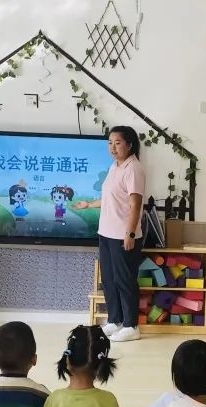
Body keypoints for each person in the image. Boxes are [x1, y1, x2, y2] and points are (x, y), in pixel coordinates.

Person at [73, 126, 146, 343]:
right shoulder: (115, 166)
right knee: (109, 279)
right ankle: (115, 320)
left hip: (123, 235)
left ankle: (131, 326)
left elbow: (135, 205)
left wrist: (130, 233)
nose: (113, 147)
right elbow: (110, 198)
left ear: (129, 145)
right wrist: (88, 204)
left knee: (125, 280)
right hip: (106, 232)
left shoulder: (133, 169)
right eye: (110, 143)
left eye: (118, 143)